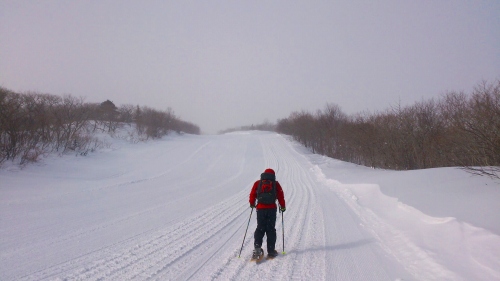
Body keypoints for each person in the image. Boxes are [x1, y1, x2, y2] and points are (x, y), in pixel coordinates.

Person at [249, 168, 286, 259]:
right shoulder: (275, 184)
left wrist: (252, 203)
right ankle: (271, 251)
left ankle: (257, 249)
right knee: (271, 229)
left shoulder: (258, 183)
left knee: (260, 228)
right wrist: (283, 206)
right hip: (271, 209)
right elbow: (281, 195)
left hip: (260, 209)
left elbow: (252, 194)